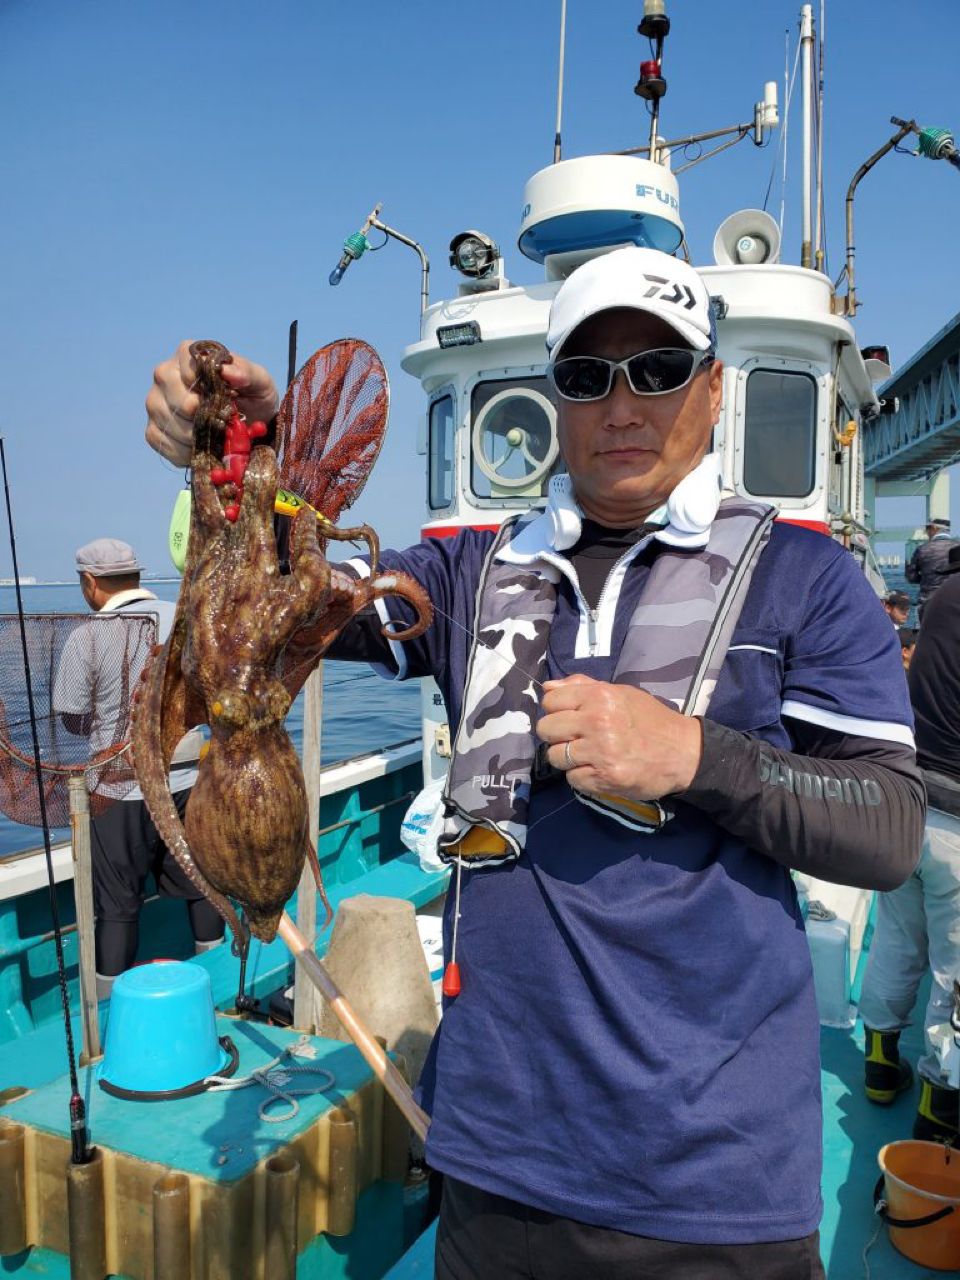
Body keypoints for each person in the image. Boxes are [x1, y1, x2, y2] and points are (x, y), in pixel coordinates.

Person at [145, 246, 924, 1280]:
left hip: (713, 1189)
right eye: (587, 374)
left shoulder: (804, 577)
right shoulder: (470, 572)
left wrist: (692, 754)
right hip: (497, 1165)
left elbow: (884, 824)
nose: (622, 403)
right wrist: (244, 458)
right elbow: (292, 614)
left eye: (657, 367)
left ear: (713, 386)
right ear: (554, 396)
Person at [52, 538, 224, 998]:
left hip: (118, 788)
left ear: (90, 583)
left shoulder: (86, 635)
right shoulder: (185, 621)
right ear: (138, 575)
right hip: (187, 780)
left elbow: (72, 718)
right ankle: (220, 985)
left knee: (116, 908)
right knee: (201, 884)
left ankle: (111, 1017)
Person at [859, 544, 960, 1144]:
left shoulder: (944, 599)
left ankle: (878, 1060)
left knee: (897, 938)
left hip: (908, 806)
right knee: (954, 971)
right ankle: (939, 1108)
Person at [906, 518, 958, 620]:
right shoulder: (958, 547)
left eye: (927, 528)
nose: (926, 532)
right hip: (955, 601)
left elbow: (911, 577)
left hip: (928, 601)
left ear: (934, 528)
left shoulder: (922, 549)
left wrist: (927, 577)